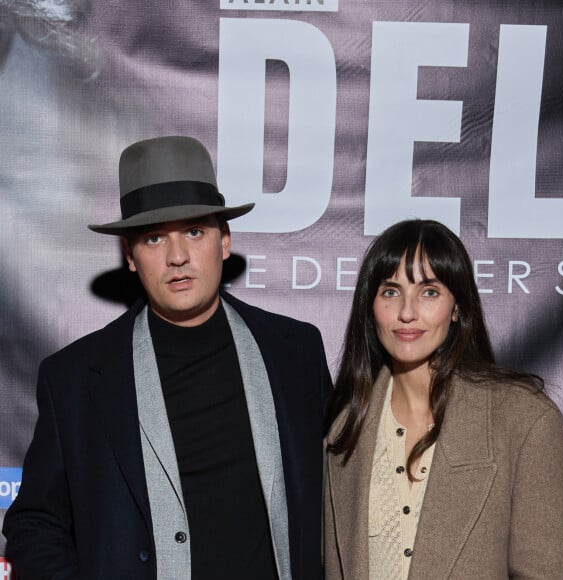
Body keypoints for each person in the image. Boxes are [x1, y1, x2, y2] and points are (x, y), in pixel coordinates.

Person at [3, 136, 332, 580]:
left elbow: (340, 493)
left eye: (194, 231)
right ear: (131, 257)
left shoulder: (295, 352)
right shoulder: (74, 379)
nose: (177, 257)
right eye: (155, 238)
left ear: (225, 241)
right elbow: (34, 522)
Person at [324, 219, 563, 580]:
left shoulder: (523, 420)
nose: (407, 312)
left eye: (429, 292)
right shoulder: (342, 433)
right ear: (371, 307)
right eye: (391, 292)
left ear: (457, 307)